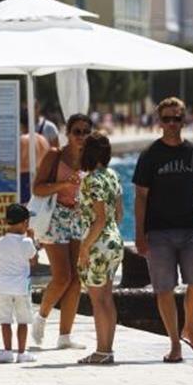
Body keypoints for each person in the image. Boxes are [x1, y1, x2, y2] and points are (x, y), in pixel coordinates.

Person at [134, 97, 193, 363]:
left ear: (184, 120)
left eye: (176, 118)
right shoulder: (149, 156)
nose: (172, 124)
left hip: (190, 229)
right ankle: (174, 344)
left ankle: (189, 328)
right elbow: (141, 197)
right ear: (159, 122)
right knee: (164, 288)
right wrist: (138, 233)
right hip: (157, 233)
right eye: (167, 118)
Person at [31, 112, 90, 350]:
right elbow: (37, 188)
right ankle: (41, 317)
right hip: (54, 216)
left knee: (76, 280)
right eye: (77, 132)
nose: (82, 136)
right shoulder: (55, 155)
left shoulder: (90, 158)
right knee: (62, 276)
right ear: (68, 133)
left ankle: (65, 336)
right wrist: (64, 184)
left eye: (86, 132)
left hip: (78, 218)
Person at [77, 132, 123, 365]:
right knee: (107, 298)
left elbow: (100, 218)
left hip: (98, 243)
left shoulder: (90, 180)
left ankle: (102, 351)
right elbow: (119, 214)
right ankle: (107, 349)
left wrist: (85, 247)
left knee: (97, 300)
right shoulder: (113, 176)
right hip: (115, 241)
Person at [0, 203, 39, 364]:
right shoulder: (27, 242)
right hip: (21, 287)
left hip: (3, 287)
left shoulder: (0, 241)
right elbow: (33, 261)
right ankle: (21, 352)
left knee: (5, 320)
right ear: (25, 222)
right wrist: (32, 240)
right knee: (23, 321)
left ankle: (7, 351)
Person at [19, 110, 52, 204]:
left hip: (24, 179)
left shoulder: (22, 140)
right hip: (41, 178)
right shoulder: (43, 139)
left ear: (21, 124)